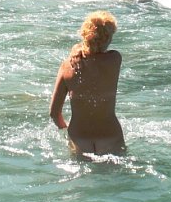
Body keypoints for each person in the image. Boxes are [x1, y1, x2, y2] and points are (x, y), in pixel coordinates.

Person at [49, 11, 126, 156]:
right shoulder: (114, 60)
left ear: (84, 35)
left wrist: (65, 131)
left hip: (80, 140)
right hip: (111, 137)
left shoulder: (67, 67)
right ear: (108, 38)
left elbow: (54, 113)